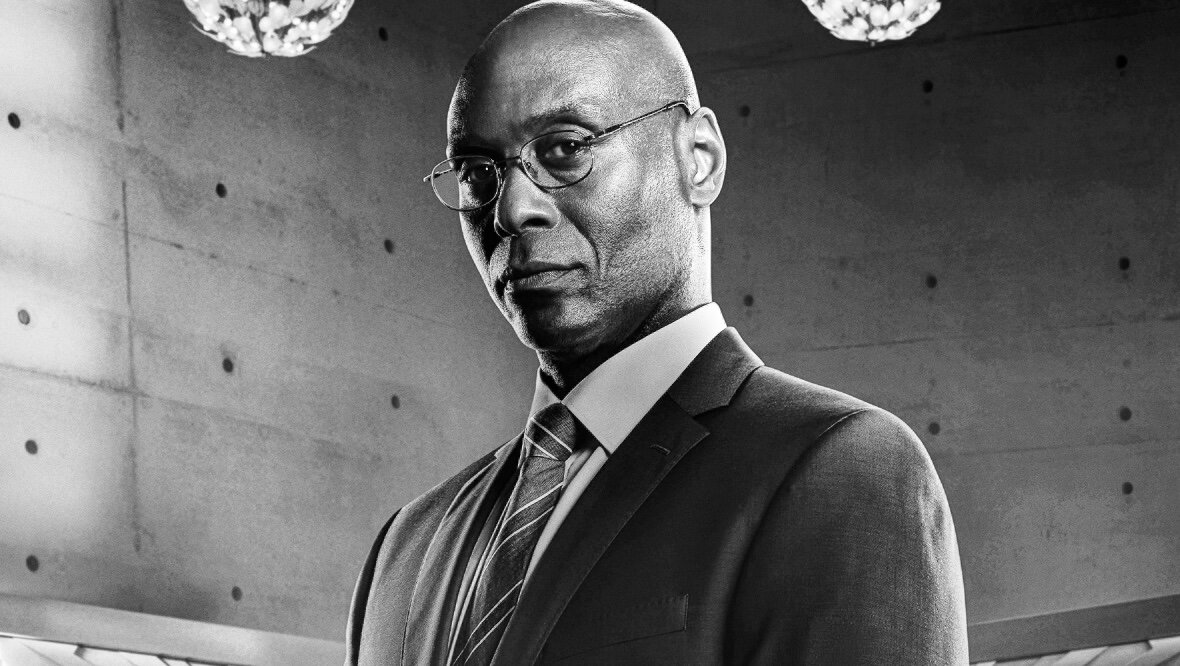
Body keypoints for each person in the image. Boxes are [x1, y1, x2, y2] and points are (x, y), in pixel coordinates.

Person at [346, 1, 969, 663]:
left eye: (564, 149)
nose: (512, 209)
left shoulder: (842, 470)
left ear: (698, 158)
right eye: (477, 173)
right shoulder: (403, 551)